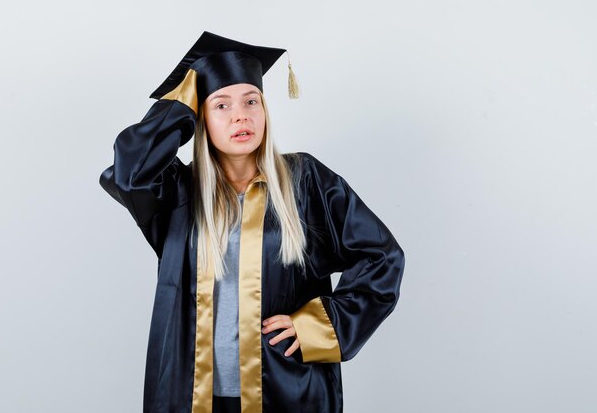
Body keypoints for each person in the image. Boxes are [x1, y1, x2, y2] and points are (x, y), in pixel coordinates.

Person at [99, 31, 405, 413]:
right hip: (190, 394)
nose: (241, 114)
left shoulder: (306, 181)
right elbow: (129, 173)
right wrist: (180, 104)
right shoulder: (179, 192)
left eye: (251, 101)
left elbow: (383, 257)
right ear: (200, 117)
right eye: (221, 105)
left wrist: (318, 325)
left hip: (287, 390)